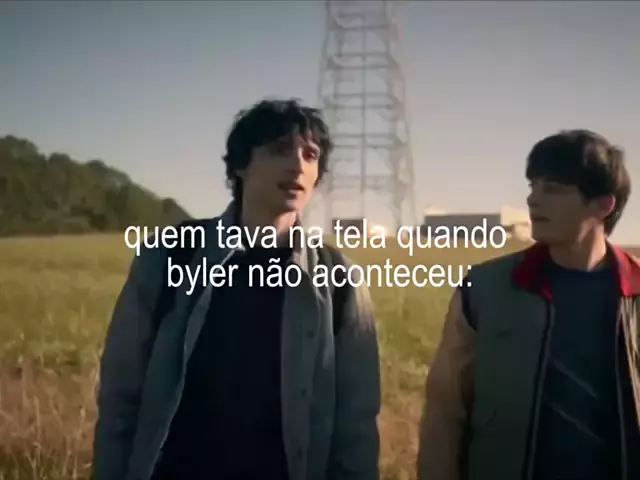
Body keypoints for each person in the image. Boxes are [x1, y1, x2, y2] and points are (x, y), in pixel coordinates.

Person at [92, 98, 381, 480]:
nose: (297, 165)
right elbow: (121, 397)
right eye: (280, 150)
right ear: (241, 165)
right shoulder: (171, 256)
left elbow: (355, 426)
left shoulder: (338, 279)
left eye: (310, 155)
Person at [416, 129, 640, 480]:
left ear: (603, 205)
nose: (534, 199)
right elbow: (445, 410)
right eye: (533, 186)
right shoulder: (484, 289)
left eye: (553, 189)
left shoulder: (634, 289)